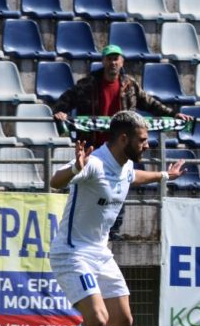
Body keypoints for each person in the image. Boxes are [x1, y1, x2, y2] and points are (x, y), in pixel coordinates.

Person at [51, 110, 186, 326]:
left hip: (100, 253)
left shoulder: (124, 166)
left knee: (122, 319)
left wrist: (166, 175)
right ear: (123, 138)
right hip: (72, 253)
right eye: (143, 140)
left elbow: (134, 177)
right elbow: (55, 181)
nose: (148, 145)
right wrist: (74, 167)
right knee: (97, 318)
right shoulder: (94, 164)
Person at [52, 44, 192, 241]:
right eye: (109, 58)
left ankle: (111, 234)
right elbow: (65, 100)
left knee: (117, 191)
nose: (113, 62)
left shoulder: (130, 85)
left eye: (116, 58)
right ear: (103, 61)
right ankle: (80, 235)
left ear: (122, 62)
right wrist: (60, 111)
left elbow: (150, 104)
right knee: (90, 191)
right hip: (95, 149)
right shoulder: (88, 84)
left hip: (121, 151)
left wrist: (174, 115)